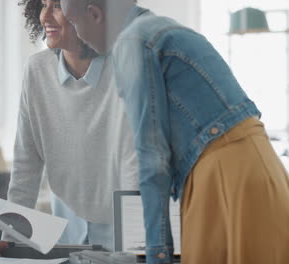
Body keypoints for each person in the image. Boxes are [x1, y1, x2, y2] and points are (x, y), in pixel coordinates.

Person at [60, 0, 289, 263]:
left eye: (75, 23)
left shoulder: (131, 42)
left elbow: (152, 158)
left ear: (95, 14)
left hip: (223, 178)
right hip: (260, 169)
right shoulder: (166, 28)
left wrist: (157, 254)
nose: (77, 34)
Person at [5, 0, 138, 250]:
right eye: (43, 5)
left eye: (57, 6)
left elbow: (136, 167)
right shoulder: (37, 70)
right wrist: (9, 243)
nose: (45, 16)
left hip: (125, 229)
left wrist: (137, 248)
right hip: (68, 231)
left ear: (94, 12)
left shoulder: (129, 67)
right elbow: (26, 167)